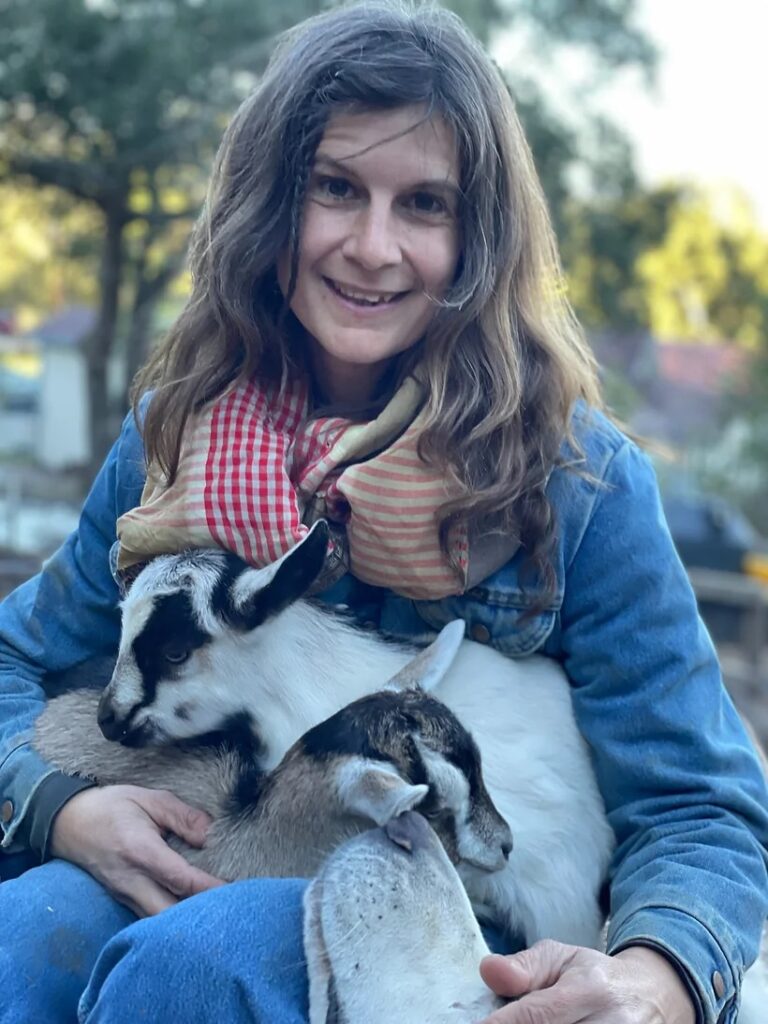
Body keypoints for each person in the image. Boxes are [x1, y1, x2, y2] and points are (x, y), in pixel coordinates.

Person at [0, 2, 766, 1022]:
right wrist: (62, 806)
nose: (372, 245)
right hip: (217, 840)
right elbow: (14, 661)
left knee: (193, 967)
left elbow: (698, 802)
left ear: (478, 236)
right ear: (272, 203)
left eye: (425, 205)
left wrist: (657, 976)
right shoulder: (175, 437)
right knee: (25, 938)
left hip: (455, 904)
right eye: (336, 188)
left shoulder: (573, 479)